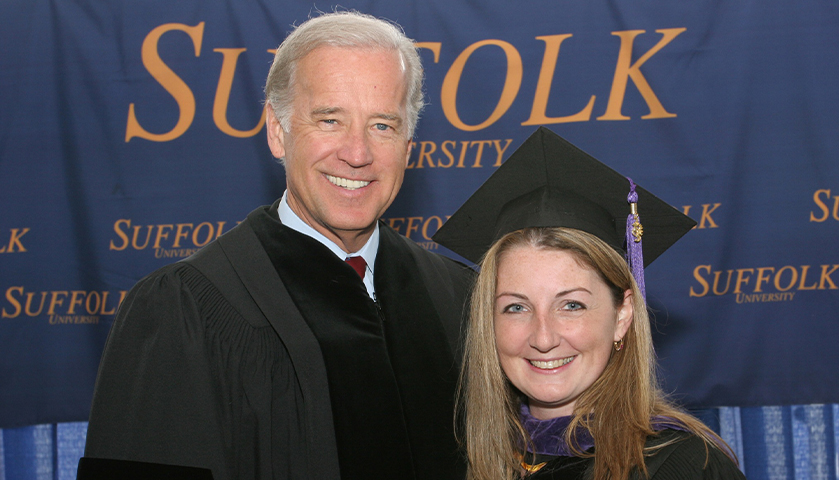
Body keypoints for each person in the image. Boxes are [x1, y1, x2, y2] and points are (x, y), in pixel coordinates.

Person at [79, 11, 474, 480]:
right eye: (330, 120)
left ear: (409, 146)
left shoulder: (457, 297)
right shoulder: (184, 309)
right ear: (277, 131)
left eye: (382, 126)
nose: (357, 153)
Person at [433, 127, 746, 480]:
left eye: (571, 305)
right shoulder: (467, 461)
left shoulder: (679, 467)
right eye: (516, 307)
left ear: (622, 315)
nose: (544, 337)